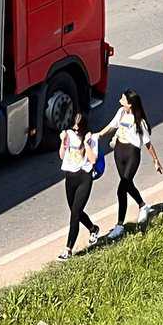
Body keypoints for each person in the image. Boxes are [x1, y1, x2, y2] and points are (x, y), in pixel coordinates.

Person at [97, 89, 163, 238]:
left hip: (132, 154)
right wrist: (98, 135)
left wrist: (156, 161)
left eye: (123, 99)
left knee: (122, 188)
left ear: (130, 104)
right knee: (127, 184)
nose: (120, 100)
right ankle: (143, 205)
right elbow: (111, 126)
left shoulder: (140, 121)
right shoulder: (121, 112)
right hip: (119, 152)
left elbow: (148, 143)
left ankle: (119, 225)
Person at [58, 111, 100, 260]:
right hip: (70, 177)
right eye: (73, 128)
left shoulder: (91, 138)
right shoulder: (68, 135)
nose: (75, 131)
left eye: (78, 129)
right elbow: (62, 156)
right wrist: (63, 142)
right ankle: (93, 228)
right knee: (75, 210)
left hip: (84, 177)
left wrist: (87, 143)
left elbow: (93, 160)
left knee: (75, 214)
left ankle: (68, 249)